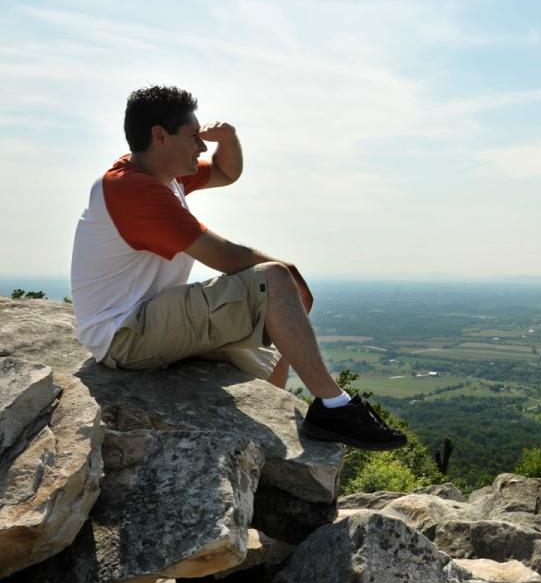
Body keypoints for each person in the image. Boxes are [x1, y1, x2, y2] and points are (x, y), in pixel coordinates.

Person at [69, 85, 405, 450]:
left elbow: (226, 171)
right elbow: (228, 258)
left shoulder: (164, 173)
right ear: (159, 136)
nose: (201, 146)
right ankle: (336, 408)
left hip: (146, 321)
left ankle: (271, 432)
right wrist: (288, 275)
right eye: (194, 137)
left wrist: (228, 136)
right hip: (126, 334)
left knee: (280, 345)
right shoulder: (134, 190)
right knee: (273, 278)